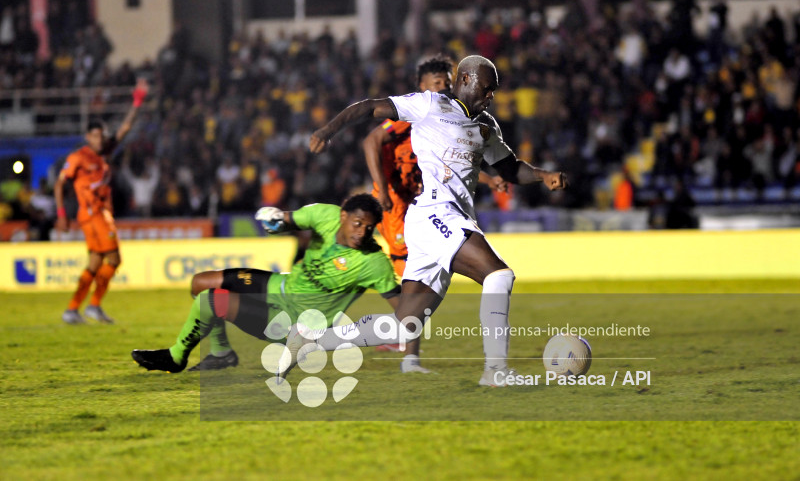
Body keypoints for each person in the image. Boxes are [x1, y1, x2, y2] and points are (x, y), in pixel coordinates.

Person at [290, 55, 567, 387]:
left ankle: (311, 340)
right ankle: (496, 371)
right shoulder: (428, 105)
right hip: (435, 213)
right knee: (498, 275)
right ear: (465, 80)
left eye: (494, 91)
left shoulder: (486, 125)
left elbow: (509, 169)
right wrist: (328, 129)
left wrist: (542, 175)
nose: (490, 96)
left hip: (444, 221)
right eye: (487, 88)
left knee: (403, 325)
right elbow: (368, 107)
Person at [131, 194, 429, 374]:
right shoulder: (324, 215)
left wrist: (411, 357)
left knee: (211, 300)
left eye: (369, 227)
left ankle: (175, 357)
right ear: (342, 216)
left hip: (293, 323)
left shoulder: (373, 263)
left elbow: (406, 311)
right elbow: (285, 221)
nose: (362, 232)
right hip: (279, 285)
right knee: (200, 283)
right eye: (357, 223)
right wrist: (275, 222)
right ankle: (222, 353)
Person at [364, 54, 505, 278]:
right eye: (437, 82)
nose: (444, 87)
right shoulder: (411, 114)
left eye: (447, 82)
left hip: (422, 197)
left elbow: (455, 164)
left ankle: (406, 309)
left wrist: (489, 180)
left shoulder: (448, 118)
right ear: (422, 86)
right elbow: (372, 140)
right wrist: (382, 189)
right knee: (405, 258)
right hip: (396, 196)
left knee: (426, 263)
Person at [55, 79, 149, 324]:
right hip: (94, 214)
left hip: (99, 214)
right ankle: (94, 305)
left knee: (95, 263)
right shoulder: (78, 157)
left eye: (102, 135)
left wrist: (137, 102)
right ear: (87, 136)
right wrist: (62, 214)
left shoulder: (105, 152)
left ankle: (72, 309)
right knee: (115, 259)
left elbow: (125, 129)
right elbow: (59, 184)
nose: (99, 139)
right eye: (95, 136)